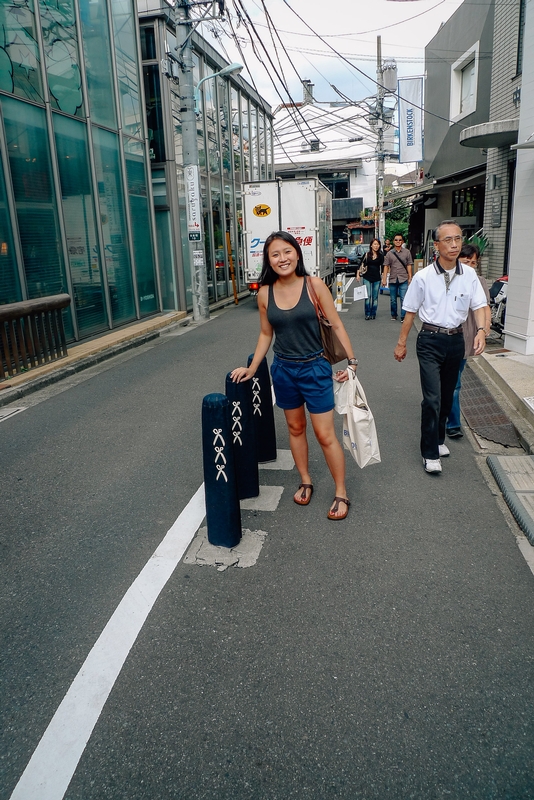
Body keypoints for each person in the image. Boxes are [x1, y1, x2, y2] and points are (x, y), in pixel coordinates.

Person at [231, 231, 358, 521]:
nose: (282, 258)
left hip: (315, 367)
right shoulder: (265, 293)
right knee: (296, 428)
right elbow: (266, 333)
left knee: (325, 434)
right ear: (268, 260)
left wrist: (352, 362)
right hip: (284, 369)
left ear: (297, 254)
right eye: (275, 254)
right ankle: (305, 479)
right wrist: (252, 368)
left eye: (287, 252)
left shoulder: (313, 286)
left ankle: (341, 491)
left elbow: (336, 325)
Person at [393, 220, 488, 474]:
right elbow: (410, 312)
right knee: (432, 398)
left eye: (458, 238)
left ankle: (438, 438)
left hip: (456, 340)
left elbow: (479, 306)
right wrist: (401, 343)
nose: (455, 244)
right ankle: (429, 452)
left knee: (447, 397)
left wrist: (481, 331)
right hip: (430, 340)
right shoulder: (423, 277)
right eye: (448, 240)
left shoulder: (469, 275)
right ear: (437, 245)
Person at [446, 243, 492, 439]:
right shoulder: (448, 278)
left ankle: (449, 418)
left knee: (455, 378)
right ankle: (450, 420)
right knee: (452, 381)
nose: (471, 265)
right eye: (467, 261)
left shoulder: (479, 281)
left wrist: (484, 329)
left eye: (474, 262)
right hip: (446, 335)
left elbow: (485, 307)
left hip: (467, 336)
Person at [382, 233, 413, 321]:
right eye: (396, 240)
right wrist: (384, 279)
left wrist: (410, 277)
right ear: (393, 241)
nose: (398, 241)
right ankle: (394, 314)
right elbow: (386, 266)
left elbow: (409, 265)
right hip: (393, 279)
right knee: (393, 299)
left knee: (404, 298)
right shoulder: (389, 253)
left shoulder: (407, 252)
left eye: (400, 240)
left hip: (403, 278)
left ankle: (403, 316)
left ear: (402, 241)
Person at [356, 238, 384, 320]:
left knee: (375, 297)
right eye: (374, 244)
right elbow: (360, 264)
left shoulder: (381, 256)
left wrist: (383, 278)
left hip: (377, 278)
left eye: (377, 244)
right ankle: (367, 313)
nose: (376, 246)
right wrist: (358, 275)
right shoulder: (366, 254)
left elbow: (383, 267)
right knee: (367, 296)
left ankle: (373, 313)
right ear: (371, 245)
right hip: (367, 277)